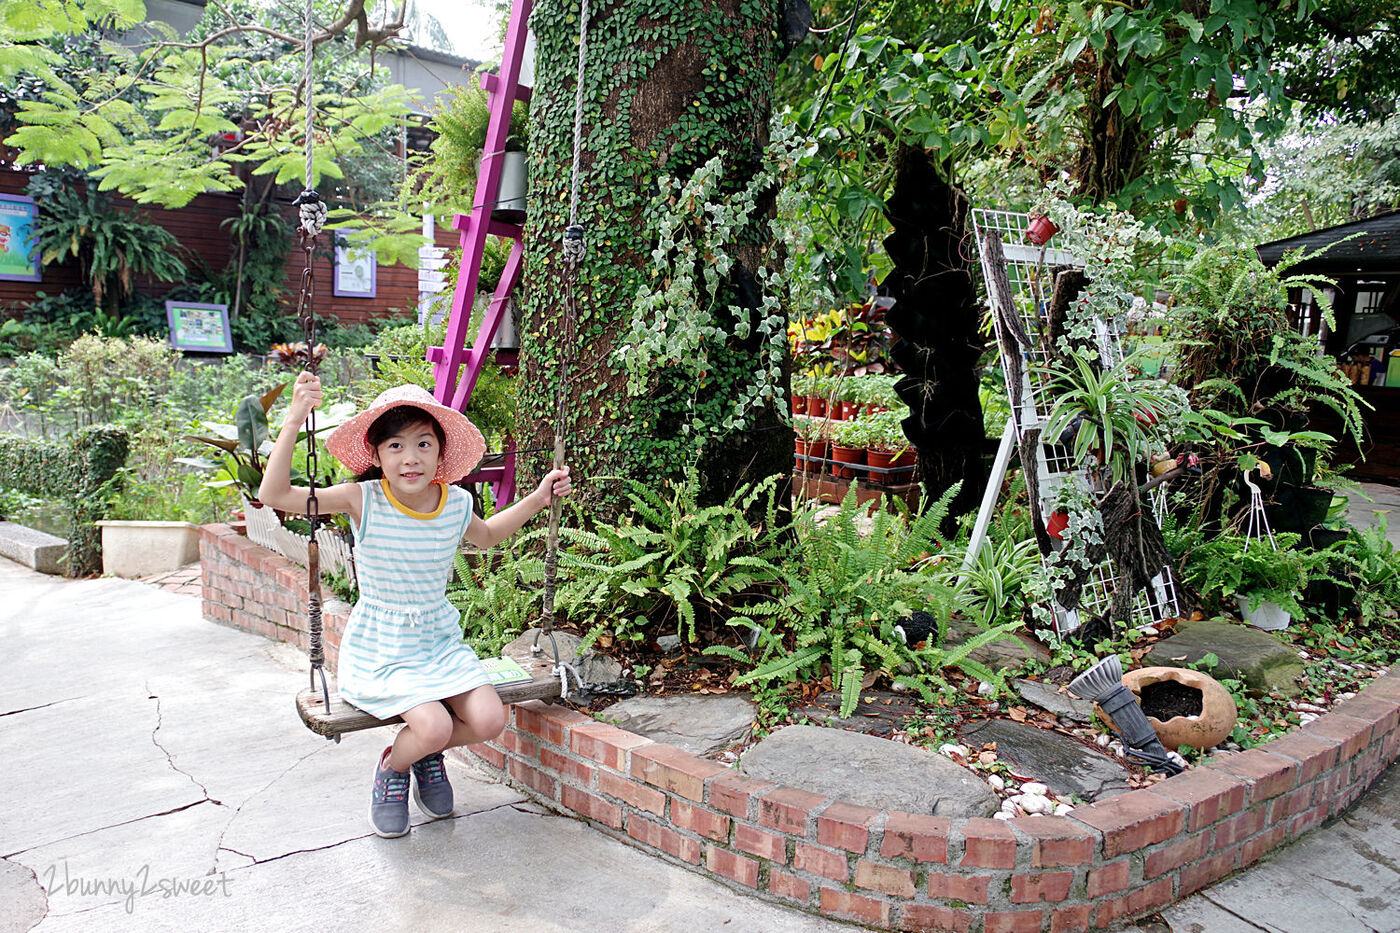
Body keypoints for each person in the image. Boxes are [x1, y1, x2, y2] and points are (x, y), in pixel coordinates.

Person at [260, 372, 572, 837]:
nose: (411, 458)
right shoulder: (361, 499)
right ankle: (395, 768)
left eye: (424, 444)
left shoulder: (456, 502)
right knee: (432, 726)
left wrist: (539, 497)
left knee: (490, 718)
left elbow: (487, 537)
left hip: (437, 641)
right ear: (378, 455)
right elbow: (274, 496)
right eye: (396, 447)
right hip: (383, 646)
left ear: (441, 453)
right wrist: (293, 421)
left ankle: (424, 752)